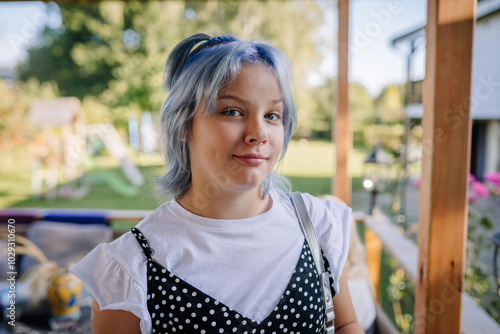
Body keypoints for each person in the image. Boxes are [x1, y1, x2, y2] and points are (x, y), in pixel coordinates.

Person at [70, 33, 364, 334]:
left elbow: (345, 325)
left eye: (272, 115)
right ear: (183, 124)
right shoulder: (130, 266)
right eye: (232, 111)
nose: (258, 133)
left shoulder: (315, 226)